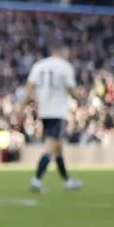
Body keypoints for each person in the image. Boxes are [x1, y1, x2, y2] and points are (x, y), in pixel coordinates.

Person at [26, 45, 84, 193]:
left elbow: (30, 87)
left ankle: (67, 181)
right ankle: (36, 179)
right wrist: (80, 97)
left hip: (44, 111)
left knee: (58, 148)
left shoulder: (40, 65)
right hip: (58, 111)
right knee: (51, 146)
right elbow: (71, 90)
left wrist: (27, 103)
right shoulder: (65, 67)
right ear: (61, 51)